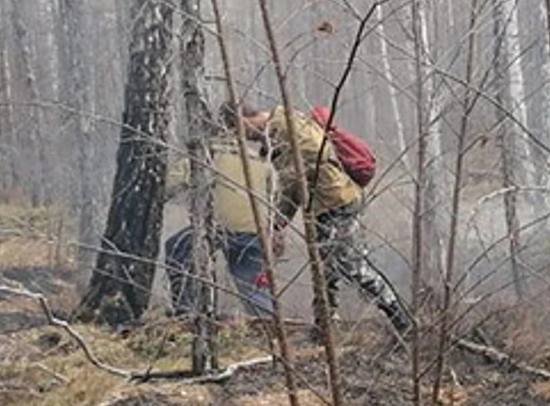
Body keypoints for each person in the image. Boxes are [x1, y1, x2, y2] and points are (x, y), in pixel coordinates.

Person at [238, 102, 413, 336]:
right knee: (324, 272)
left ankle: (402, 320)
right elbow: (293, 186)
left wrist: (278, 221)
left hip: (337, 201)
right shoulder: (279, 130)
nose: (242, 136)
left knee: (353, 267)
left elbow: (300, 172)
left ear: (246, 118)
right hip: (323, 205)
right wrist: (278, 223)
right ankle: (324, 330)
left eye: (237, 128)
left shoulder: (287, 128)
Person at [164, 115, 279, 321]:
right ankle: (269, 325)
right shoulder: (259, 160)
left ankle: (187, 314)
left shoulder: (207, 154)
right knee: (253, 284)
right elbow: (274, 198)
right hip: (255, 232)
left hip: (219, 227)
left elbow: (169, 186)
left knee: (177, 248)